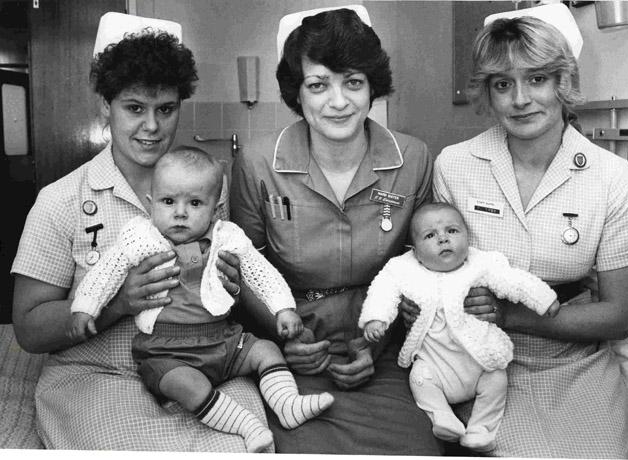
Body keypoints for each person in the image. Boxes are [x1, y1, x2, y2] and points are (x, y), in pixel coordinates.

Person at [10, 14, 265, 451]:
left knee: (244, 443)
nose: (152, 127)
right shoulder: (61, 200)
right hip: (97, 375)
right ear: (104, 107)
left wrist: (234, 286)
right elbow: (29, 329)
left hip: (204, 364)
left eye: (165, 109)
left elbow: (235, 289)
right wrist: (117, 301)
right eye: (135, 108)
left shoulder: (208, 190)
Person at [404, 4, 628, 458]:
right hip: (476, 358)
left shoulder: (610, 177)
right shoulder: (455, 166)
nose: (520, 99)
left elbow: (618, 316)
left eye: (537, 79)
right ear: (488, 93)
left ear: (563, 83)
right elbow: (429, 269)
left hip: (577, 361)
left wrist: (512, 315)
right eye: (503, 84)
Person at [230, 5, 442, 455]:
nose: (339, 101)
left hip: (383, 349)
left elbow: (424, 266)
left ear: (372, 89)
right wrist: (282, 334)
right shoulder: (257, 162)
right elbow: (242, 268)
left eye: (353, 82)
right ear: (297, 93)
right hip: (291, 349)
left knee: (417, 447)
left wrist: (378, 343)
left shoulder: (414, 159)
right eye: (318, 84)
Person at [68, 147, 334, 452]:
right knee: (187, 385)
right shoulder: (140, 237)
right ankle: (248, 426)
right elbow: (106, 271)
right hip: (166, 351)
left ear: (215, 209)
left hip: (224, 340)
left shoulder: (228, 236)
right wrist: (85, 308)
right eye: (169, 202)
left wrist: (283, 309)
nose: (180, 213)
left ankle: (288, 404)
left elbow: (262, 273)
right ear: (150, 204)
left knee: (266, 350)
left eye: (195, 203)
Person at [360, 202, 559, 452]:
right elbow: (383, 289)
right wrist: (376, 318)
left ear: (467, 236)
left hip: (479, 361)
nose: (443, 239)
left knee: (497, 379)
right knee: (419, 378)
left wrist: (543, 299)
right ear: (415, 250)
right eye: (430, 235)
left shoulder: (480, 264)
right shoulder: (403, 268)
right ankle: (443, 417)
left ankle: (481, 428)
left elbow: (515, 281)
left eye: (452, 231)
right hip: (435, 364)